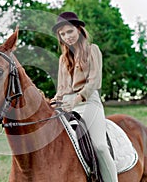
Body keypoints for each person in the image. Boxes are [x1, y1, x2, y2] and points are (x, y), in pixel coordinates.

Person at [51, 12, 118, 182]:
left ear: (79, 30)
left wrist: (76, 99)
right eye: (63, 34)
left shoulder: (92, 50)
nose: (67, 37)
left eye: (70, 31)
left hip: (88, 102)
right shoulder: (62, 59)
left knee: (100, 147)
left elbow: (94, 81)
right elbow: (61, 89)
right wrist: (53, 101)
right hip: (66, 104)